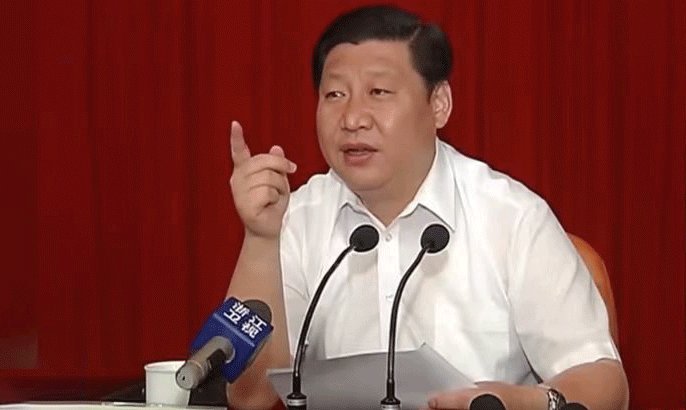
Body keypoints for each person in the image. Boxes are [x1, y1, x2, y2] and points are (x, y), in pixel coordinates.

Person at [225, 5, 628, 410]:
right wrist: (261, 240)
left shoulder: (511, 218)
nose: (352, 118)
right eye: (335, 95)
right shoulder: (297, 219)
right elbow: (249, 397)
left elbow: (606, 383)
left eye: (378, 92)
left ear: (439, 104)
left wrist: (522, 402)